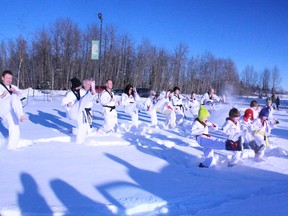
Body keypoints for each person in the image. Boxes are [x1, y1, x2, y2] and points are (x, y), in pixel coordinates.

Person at [61, 77, 96, 143]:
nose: (80, 87)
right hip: (72, 111)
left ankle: (75, 131)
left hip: (79, 112)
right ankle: (79, 142)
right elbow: (63, 105)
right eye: (79, 86)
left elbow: (87, 101)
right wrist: (67, 105)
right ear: (75, 86)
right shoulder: (69, 94)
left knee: (84, 127)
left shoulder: (81, 92)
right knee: (81, 101)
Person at [0, 70, 28, 150]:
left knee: (15, 125)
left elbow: (24, 98)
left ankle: (12, 147)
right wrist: (2, 96)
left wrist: (16, 92)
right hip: (1, 108)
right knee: (13, 97)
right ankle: (21, 115)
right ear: (2, 78)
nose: (9, 80)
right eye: (7, 78)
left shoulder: (13, 87)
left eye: (11, 78)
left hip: (9, 111)